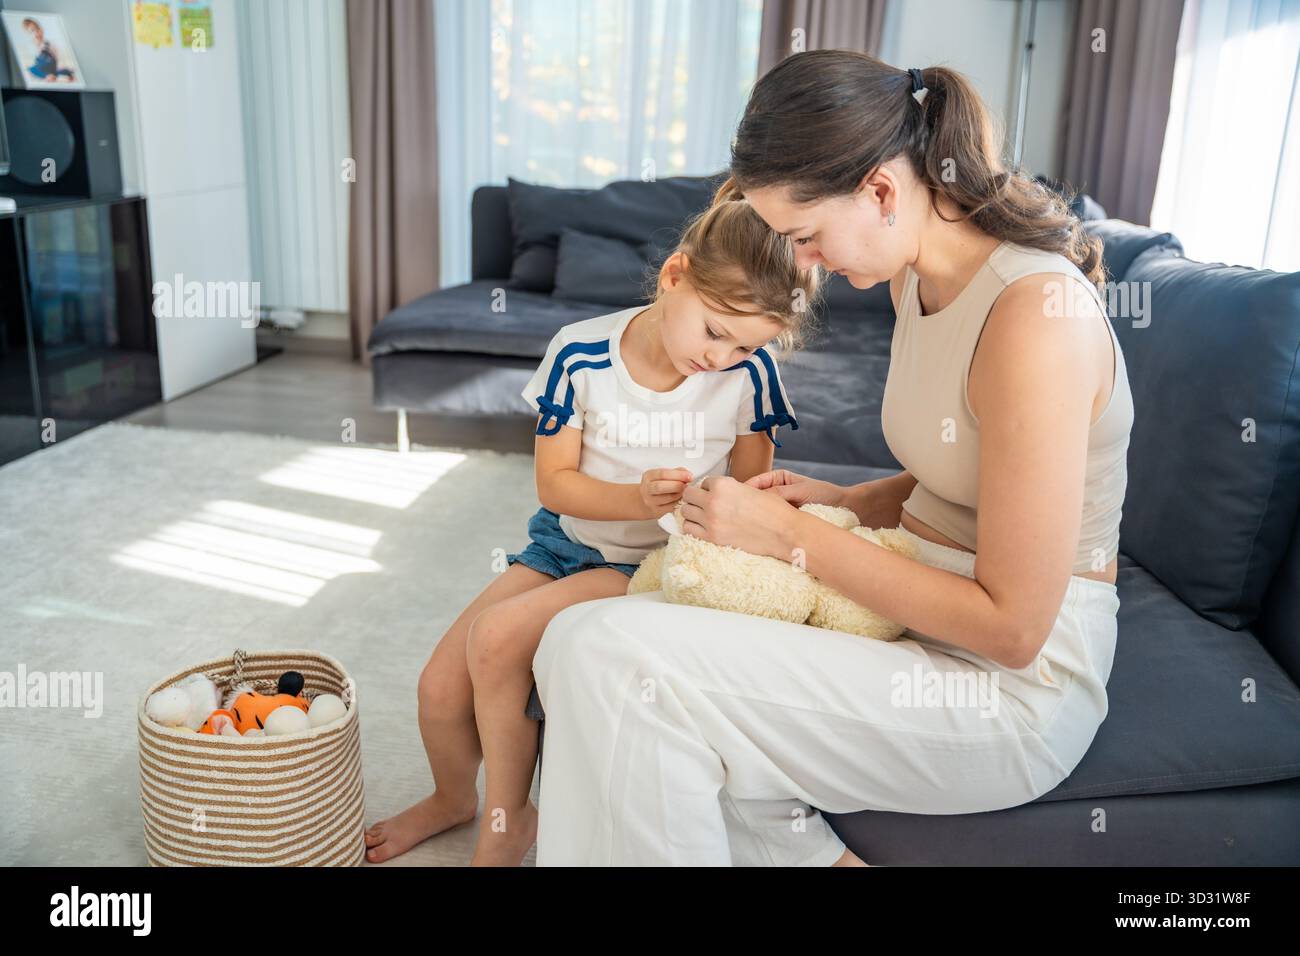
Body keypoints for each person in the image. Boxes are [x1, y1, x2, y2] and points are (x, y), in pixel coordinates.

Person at [530, 51, 1134, 866]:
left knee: (611, 657)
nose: (804, 268)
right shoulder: (915, 282)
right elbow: (954, 481)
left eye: (804, 237)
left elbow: (1013, 627)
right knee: (579, 637)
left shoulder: (1035, 318)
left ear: (882, 190)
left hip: (1008, 691)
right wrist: (839, 500)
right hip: (914, 609)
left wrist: (793, 539)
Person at [364, 179, 819, 865]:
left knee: (497, 640)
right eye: (716, 332)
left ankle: (507, 818)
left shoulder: (750, 377)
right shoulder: (580, 354)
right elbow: (555, 485)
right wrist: (635, 497)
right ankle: (453, 797)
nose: (720, 358)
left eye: (743, 346)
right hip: (569, 539)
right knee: (438, 687)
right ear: (675, 276)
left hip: (656, 565)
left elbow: (753, 495)